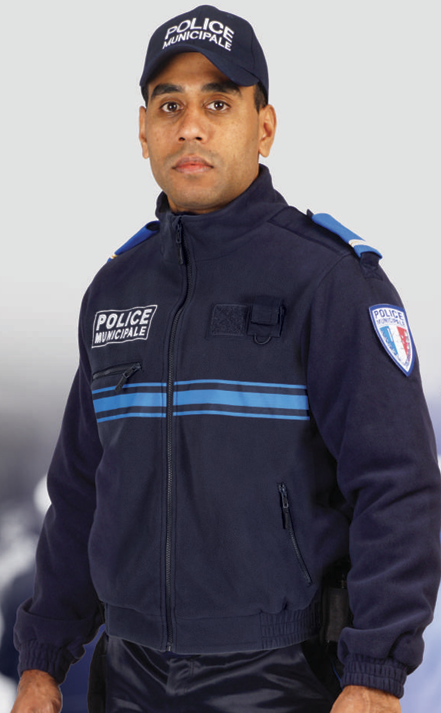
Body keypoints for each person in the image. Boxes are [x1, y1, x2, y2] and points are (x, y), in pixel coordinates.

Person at [11, 5, 441, 713]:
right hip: (127, 677)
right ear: (143, 131)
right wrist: (42, 661)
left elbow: (397, 485)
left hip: (282, 678)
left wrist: (373, 673)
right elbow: (82, 492)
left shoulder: (330, 282)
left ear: (263, 127)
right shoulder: (114, 291)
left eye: (217, 103)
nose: (190, 127)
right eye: (169, 105)